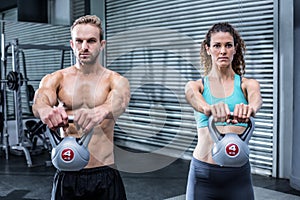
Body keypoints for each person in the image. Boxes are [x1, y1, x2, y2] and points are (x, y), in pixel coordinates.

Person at [32, 15, 130, 200]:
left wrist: (101, 110)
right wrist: (45, 110)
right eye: (79, 41)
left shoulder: (115, 80)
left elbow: (120, 100)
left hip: (105, 173)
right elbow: (40, 99)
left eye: (91, 41)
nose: (84, 47)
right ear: (71, 44)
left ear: (102, 44)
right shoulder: (56, 78)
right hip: (68, 174)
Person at [184, 22, 263, 200]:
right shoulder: (196, 85)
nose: (223, 51)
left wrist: (250, 109)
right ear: (208, 49)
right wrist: (209, 109)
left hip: (238, 178)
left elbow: (257, 99)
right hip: (203, 176)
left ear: (235, 48)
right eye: (217, 45)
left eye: (228, 45)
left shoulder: (247, 84)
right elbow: (192, 97)